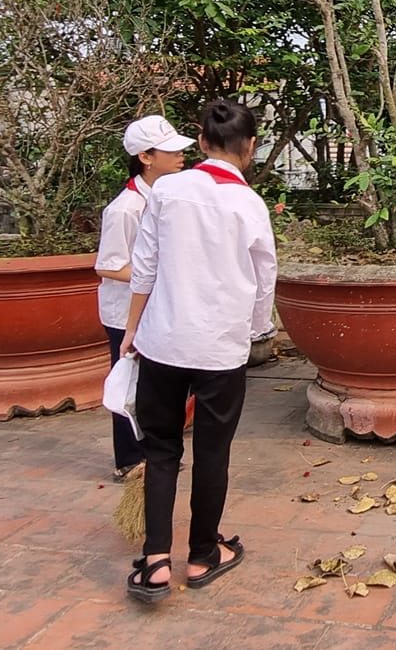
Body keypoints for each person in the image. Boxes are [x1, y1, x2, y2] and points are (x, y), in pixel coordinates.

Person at [119, 98, 276, 603]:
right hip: (220, 350)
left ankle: (155, 561)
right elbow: (264, 278)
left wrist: (131, 330)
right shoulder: (250, 205)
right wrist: (257, 331)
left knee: (161, 449)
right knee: (212, 452)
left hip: (163, 341)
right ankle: (204, 552)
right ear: (250, 147)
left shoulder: (167, 190)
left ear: (203, 142)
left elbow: (144, 267)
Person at [93, 115, 194, 480]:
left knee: (155, 386)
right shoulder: (125, 208)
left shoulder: (168, 198)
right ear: (145, 157)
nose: (180, 156)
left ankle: (155, 453)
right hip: (125, 313)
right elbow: (108, 266)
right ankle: (129, 459)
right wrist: (156, 275)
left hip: (157, 308)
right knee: (128, 385)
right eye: (170, 151)